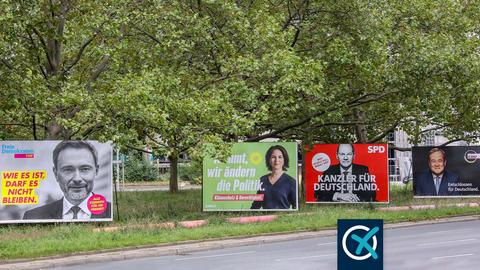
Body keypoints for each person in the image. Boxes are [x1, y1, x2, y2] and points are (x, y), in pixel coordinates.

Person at [23, 141, 111, 220]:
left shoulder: (110, 212)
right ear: (56, 174)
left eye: (85, 169)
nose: (77, 179)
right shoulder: (32, 216)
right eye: (68, 170)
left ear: (96, 171)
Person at [251, 145, 297, 209]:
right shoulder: (263, 179)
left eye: (280, 157)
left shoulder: (291, 182)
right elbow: (256, 205)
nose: (276, 160)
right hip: (265, 217)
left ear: (284, 159)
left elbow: (296, 206)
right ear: (269, 159)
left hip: (283, 217)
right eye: (273, 157)